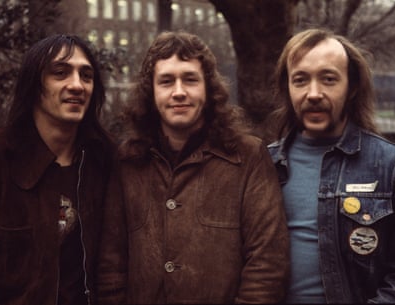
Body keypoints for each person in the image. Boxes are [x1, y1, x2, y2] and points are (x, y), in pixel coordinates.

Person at [96, 31, 289, 304]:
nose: (178, 92)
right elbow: (111, 268)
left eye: (190, 79)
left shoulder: (247, 156)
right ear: (151, 93)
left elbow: (267, 263)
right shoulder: (128, 161)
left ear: (208, 89)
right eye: (166, 81)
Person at [267, 28, 395, 303]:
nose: (313, 93)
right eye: (300, 80)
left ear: (352, 87)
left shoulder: (393, 167)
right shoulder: (262, 167)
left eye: (328, 79)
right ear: (287, 88)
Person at [0, 34, 116, 304]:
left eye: (86, 76)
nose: (77, 85)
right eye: (60, 73)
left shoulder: (105, 159)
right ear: (34, 85)